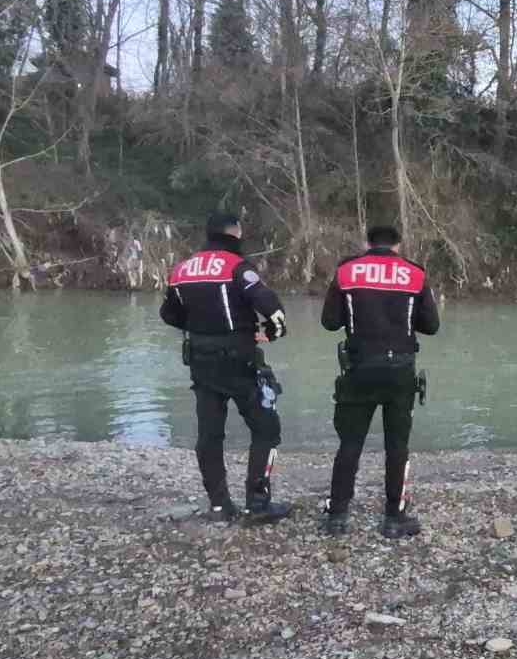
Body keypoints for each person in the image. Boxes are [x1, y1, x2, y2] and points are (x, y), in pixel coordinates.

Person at [159, 213, 292, 524]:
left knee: (209, 434)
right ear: (236, 233)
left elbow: (168, 314)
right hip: (239, 361)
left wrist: (199, 327)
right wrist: (273, 333)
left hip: (201, 363)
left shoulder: (182, 270)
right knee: (266, 428)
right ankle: (258, 503)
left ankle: (219, 506)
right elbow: (273, 310)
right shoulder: (237, 267)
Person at [319, 224, 440, 538]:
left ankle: (337, 516)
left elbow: (329, 322)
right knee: (397, 445)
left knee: (350, 442)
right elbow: (431, 326)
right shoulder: (414, 274)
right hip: (400, 370)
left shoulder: (346, 272)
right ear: (398, 244)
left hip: (359, 369)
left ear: (367, 243)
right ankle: (394, 517)